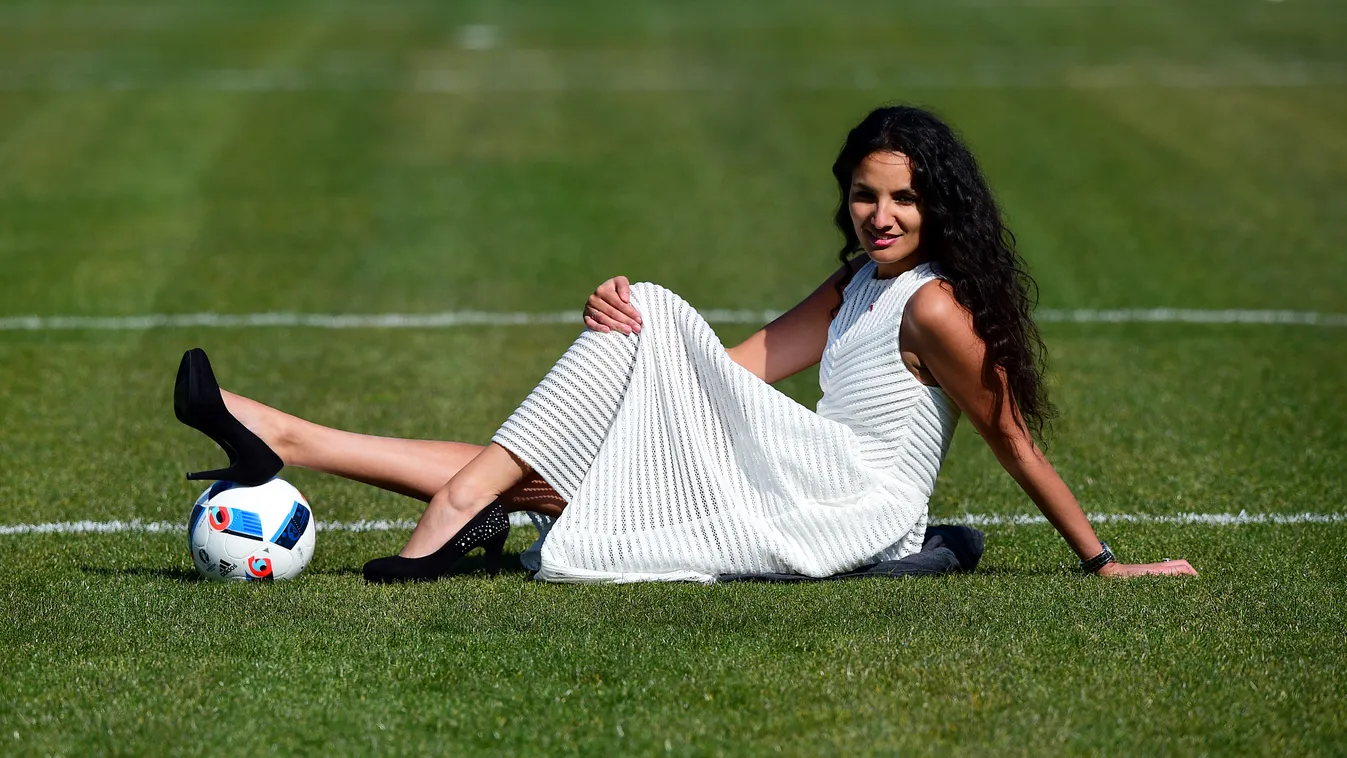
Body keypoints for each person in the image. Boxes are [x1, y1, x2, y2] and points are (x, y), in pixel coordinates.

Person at [174, 105, 1197, 583]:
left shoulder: (934, 307)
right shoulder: (854, 282)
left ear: (939, 207)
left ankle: (386, 480)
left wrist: (1103, 560)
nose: (880, 215)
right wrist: (637, 351)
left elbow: (1012, 439)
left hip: (851, 496)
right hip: (797, 461)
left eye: (903, 199)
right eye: (864, 195)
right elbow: (743, 368)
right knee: (571, 449)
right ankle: (286, 435)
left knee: (648, 317)